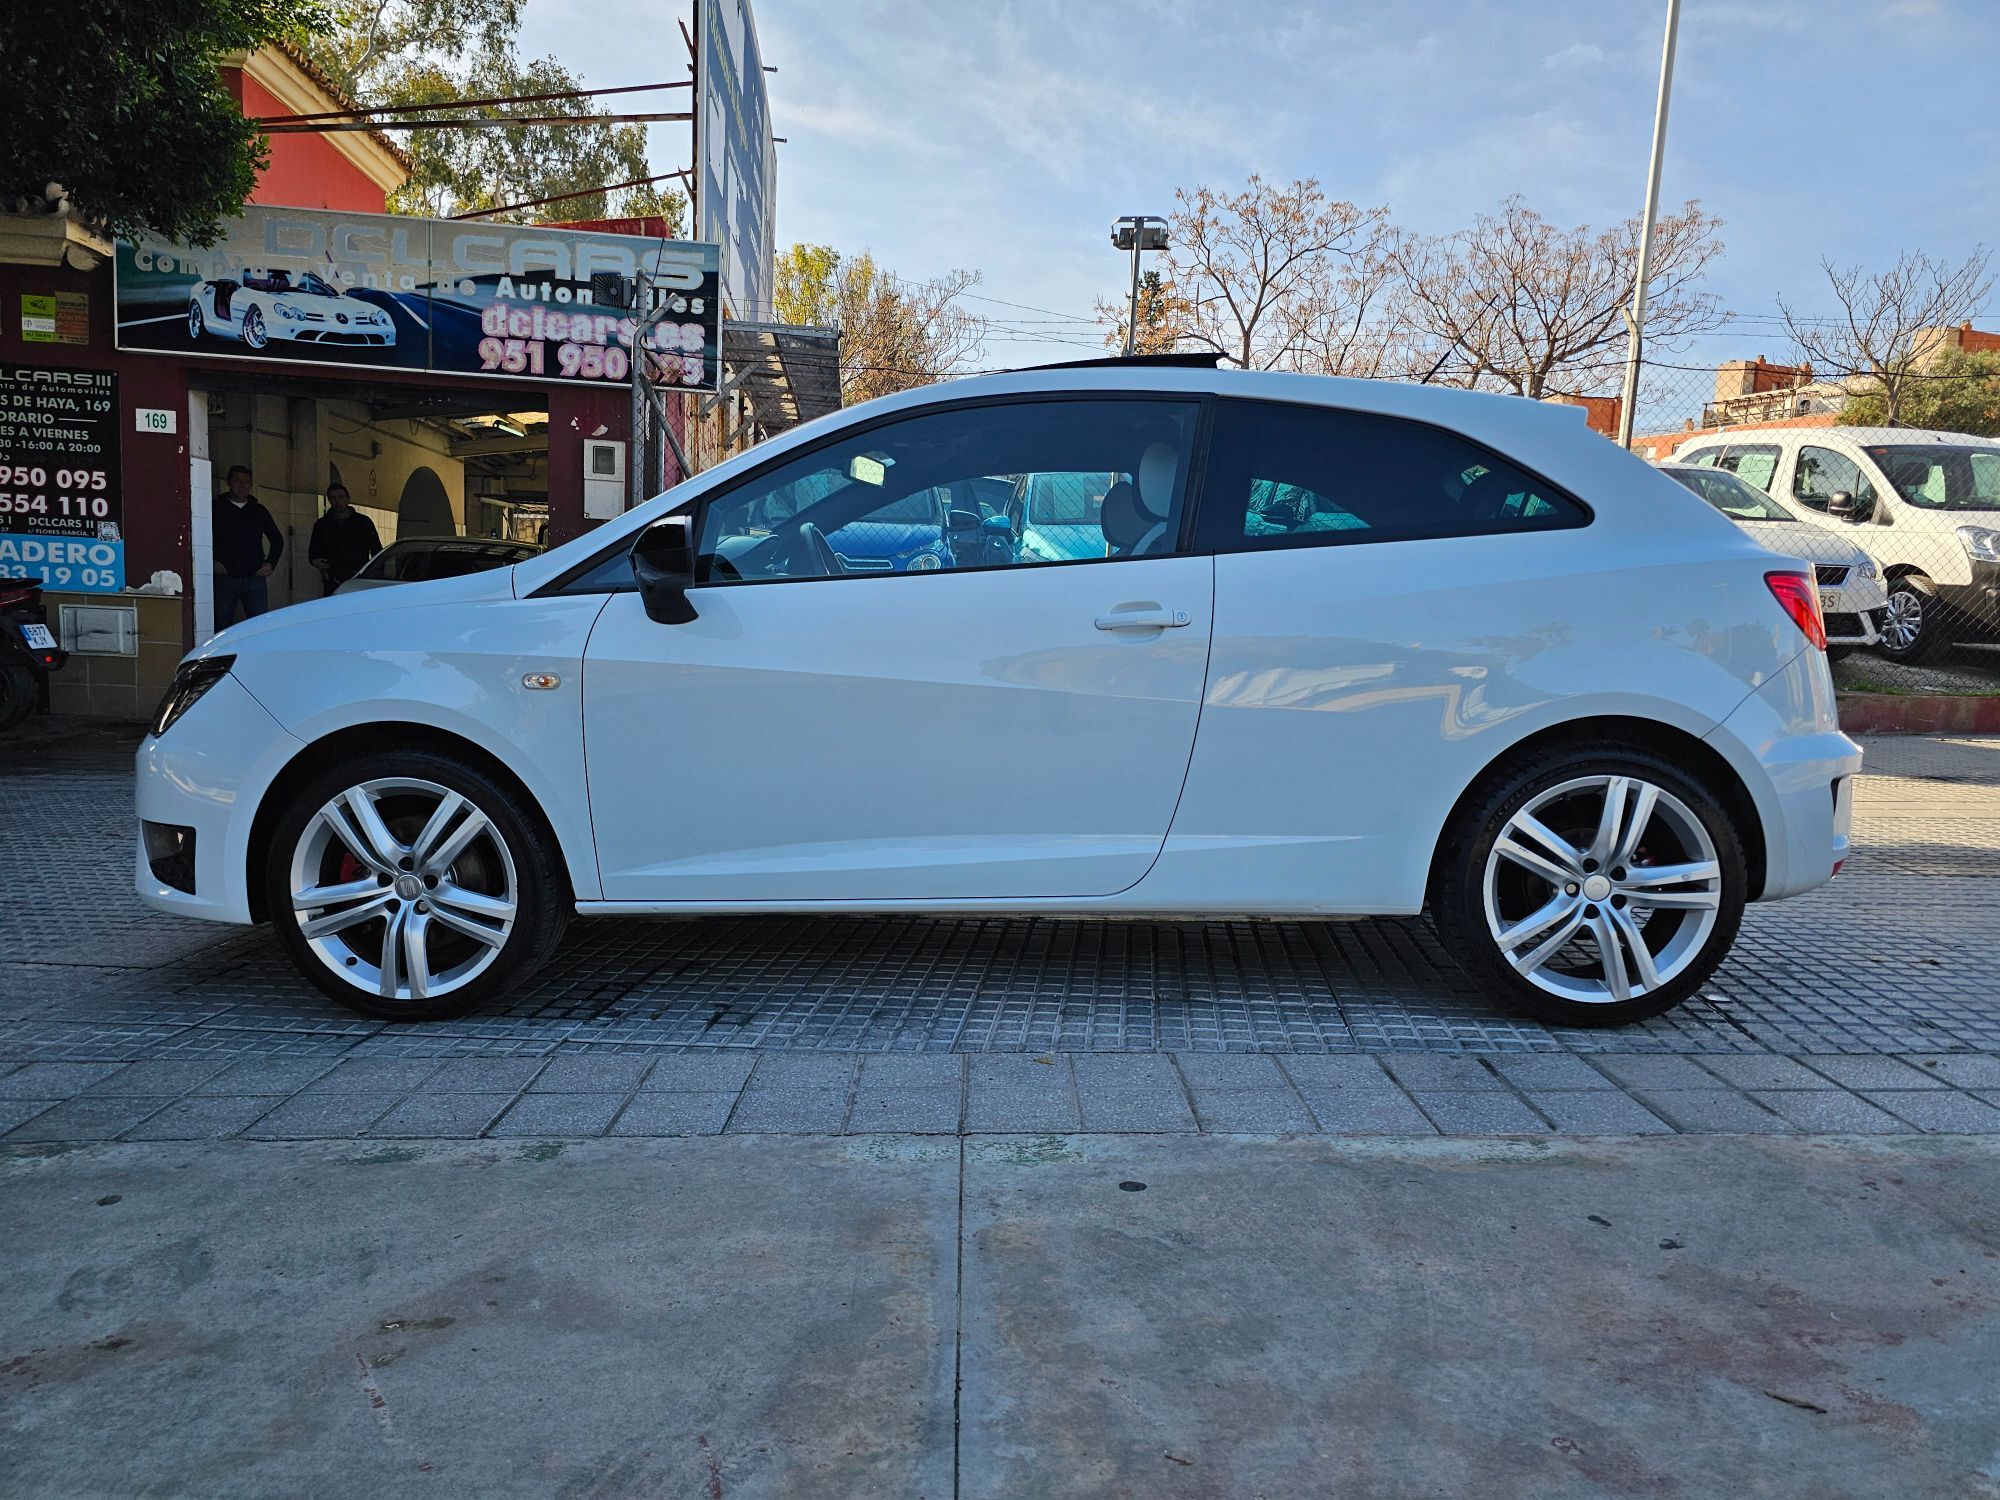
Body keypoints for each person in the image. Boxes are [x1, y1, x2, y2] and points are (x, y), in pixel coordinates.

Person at [212, 464, 284, 630]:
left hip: (254, 577)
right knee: (220, 627)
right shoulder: (215, 508)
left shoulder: (258, 510)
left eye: (246, 482)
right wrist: (210, 561)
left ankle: (258, 655)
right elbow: (198, 535)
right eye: (237, 481)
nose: (242, 485)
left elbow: (277, 539)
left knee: (259, 626)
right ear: (229, 482)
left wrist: (271, 563)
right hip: (224, 578)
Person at [307, 484, 381, 594]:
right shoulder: (322, 525)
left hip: (357, 576)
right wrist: (316, 561)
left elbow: (376, 549)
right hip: (332, 578)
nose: (337, 502)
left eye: (341, 497)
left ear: (348, 499)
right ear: (329, 500)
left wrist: (373, 572)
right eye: (333, 498)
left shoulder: (363, 523)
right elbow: (313, 551)